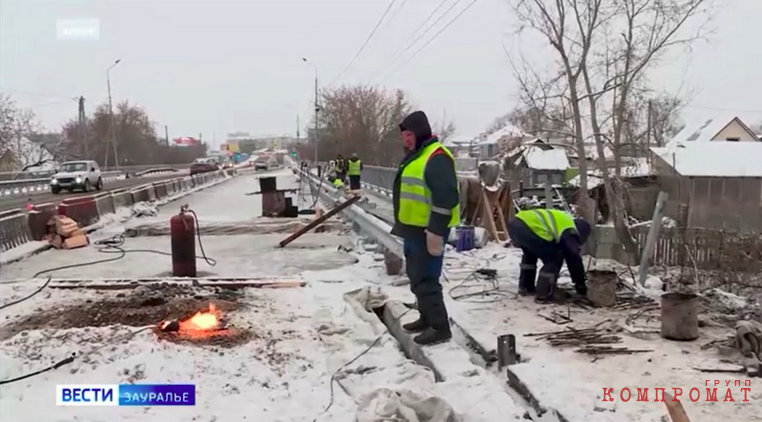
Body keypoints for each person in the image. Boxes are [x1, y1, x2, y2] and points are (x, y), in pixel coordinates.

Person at [392, 110, 460, 346]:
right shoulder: (416, 155)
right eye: (404, 135)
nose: (406, 139)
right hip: (413, 228)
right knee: (415, 277)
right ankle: (426, 317)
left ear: (420, 133)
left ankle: (440, 327)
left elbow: (446, 197)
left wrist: (435, 231)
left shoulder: (436, 157)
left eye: (410, 134)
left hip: (428, 230)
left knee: (427, 279)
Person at [507, 208, 592, 303]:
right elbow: (573, 256)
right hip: (529, 228)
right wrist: (580, 284)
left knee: (530, 253)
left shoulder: (563, 221)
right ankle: (544, 294)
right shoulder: (569, 229)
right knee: (554, 258)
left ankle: (526, 287)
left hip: (516, 224)